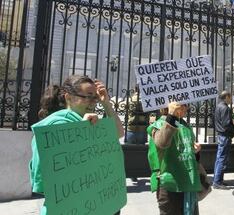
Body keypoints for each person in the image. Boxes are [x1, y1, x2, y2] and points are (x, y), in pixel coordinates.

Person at [29, 75, 124, 215]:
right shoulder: (54, 126)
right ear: (68, 97)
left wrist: (106, 103)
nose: (92, 102)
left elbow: (119, 133)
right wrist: (81, 130)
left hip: (98, 203)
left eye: (95, 97)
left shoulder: (91, 122)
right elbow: (49, 177)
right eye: (87, 96)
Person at [147, 102, 202, 215]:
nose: (187, 108)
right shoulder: (159, 124)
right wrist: (171, 116)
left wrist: (195, 150)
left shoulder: (185, 125)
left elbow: (188, 151)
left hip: (188, 182)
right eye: (184, 104)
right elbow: (162, 143)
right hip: (169, 184)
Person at [213, 91, 234, 189]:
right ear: (226, 97)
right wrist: (233, 127)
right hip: (225, 135)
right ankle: (217, 182)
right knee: (222, 158)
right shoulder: (225, 108)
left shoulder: (218, 106)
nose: (231, 99)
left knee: (219, 158)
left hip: (221, 135)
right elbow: (226, 124)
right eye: (230, 97)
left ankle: (217, 180)